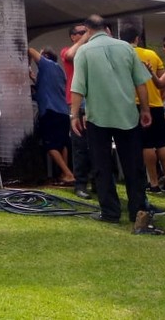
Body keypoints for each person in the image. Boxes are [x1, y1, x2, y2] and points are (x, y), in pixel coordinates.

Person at [70, 15, 157, 226]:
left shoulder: (84, 51)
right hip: (127, 113)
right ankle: (138, 209)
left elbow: (78, 87)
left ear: (89, 31)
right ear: (106, 29)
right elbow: (141, 83)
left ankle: (110, 212)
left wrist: (74, 115)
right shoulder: (126, 48)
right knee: (133, 164)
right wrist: (145, 109)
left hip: (98, 116)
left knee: (102, 165)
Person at [118, 25, 165, 193]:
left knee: (146, 145)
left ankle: (154, 182)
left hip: (136, 103)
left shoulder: (123, 55)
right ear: (137, 38)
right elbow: (162, 79)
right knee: (162, 143)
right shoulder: (151, 54)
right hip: (156, 103)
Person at [28, 47, 75, 185]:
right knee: (63, 144)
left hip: (50, 111)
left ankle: (68, 173)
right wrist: (34, 79)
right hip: (63, 112)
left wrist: (27, 63)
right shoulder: (59, 70)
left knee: (50, 145)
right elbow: (48, 90)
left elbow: (30, 49)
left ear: (46, 56)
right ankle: (64, 174)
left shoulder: (47, 65)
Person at [61, 23, 93, 199]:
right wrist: (85, 38)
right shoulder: (68, 50)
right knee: (80, 145)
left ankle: (98, 181)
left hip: (94, 102)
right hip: (77, 103)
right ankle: (80, 183)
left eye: (86, 31)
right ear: (73, 36)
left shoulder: (91, 50)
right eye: (80, 33)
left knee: (96, 143)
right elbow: (71, 55)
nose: (85, 35)